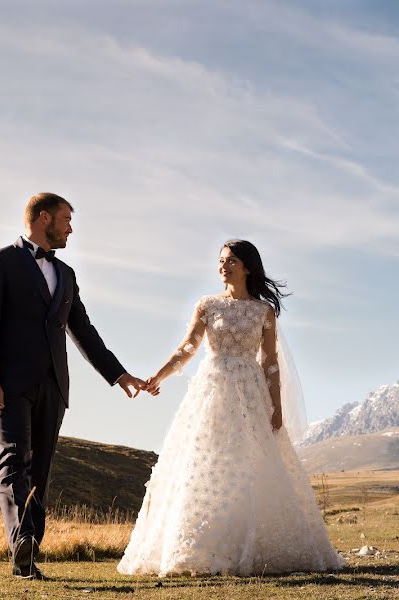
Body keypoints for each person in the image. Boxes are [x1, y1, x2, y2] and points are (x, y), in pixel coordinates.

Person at [117, 239, 345, 576]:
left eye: (232, 261)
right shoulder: (207, 305)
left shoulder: (263, 311)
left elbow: (269, 361)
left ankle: (254, 544)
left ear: (248, 267)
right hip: (211, 389)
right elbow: (188, 348)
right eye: (221, 260)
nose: (223, 266)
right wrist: (159, 376)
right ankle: (200, 547)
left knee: (251, 462)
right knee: (205, 461)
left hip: (251, 391)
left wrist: (276, 406)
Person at [0, 193, 147, 580]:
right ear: (44, 217)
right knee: (15, 458)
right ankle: (22, 541)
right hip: (9, 385)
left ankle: (28, 550)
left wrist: (120, 376)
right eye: (67, 219)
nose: (71, 228)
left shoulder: (66, 274)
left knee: (41, 471)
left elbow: (83, 331)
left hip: (54, 387)